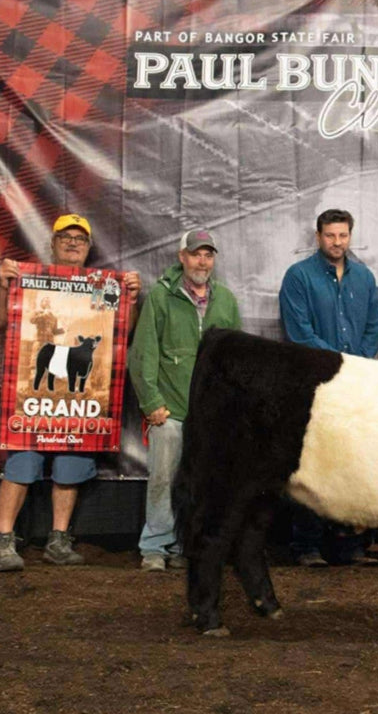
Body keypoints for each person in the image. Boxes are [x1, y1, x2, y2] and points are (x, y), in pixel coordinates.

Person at [0, 213, 142, 572]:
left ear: (88, 247)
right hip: (30, 397)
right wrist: (2, 285)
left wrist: (130, 299)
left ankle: (58, 539)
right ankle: (3, 540)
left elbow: (124, 333)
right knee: (22, 464)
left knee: (70, 469)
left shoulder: (105, 287)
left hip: (80, 402)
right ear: (52, 244)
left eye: (80, 238)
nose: (73, 242)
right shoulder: (29, 281)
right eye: (65, 237)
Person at [128, 229, 241, 572]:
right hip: (170, 412)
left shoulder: (225, 300)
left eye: (208, 255)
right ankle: (155, 546)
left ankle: (184, 544)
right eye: (196, 254)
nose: (202, 261)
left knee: (201, 481)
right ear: (182, 257)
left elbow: (235, 357)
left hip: (210, 414)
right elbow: (143, 354)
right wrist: (152, 404)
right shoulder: (162, 297)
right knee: (164, 477)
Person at [279, 208, 378, 566]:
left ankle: (349, 546)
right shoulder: (298, 277)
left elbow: (372, 328)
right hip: (314, 385)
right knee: (312, 463)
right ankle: (306, 545)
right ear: (318, 236)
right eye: (330, 235)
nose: (337, 242)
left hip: (354, 385)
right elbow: (299, 332)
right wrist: (338, 364)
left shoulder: (365, 278)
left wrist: (358, 366)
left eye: (343, 235)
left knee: (350, 463)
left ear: (350, 235)